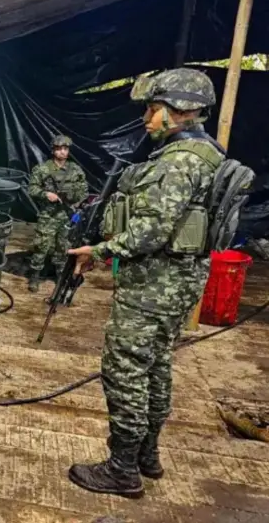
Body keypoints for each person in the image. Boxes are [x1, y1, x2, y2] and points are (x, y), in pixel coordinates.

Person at [66, 68, 222, 497]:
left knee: (125, 369)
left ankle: (121, 469)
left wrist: (98, 252)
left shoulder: (180, 162)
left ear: (183, 111)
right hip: (180, 281)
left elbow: (150, 232)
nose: (147, 119)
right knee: (155, 366)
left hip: (156, 284)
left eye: (154, 110)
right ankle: (146, 455)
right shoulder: (207, 154)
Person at [27, 135, 88, 292]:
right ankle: (35, 276)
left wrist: (75, 199)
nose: (63, 152)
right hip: (48, 215)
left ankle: (60, 275)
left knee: (64, 247)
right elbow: (32, 188)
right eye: (59, 149)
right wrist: (45, 194)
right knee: (42, 246)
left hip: (66, 215)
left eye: (66, 149)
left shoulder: (75, 170)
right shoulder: (43, 169)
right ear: (53, 150)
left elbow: (84, 190)